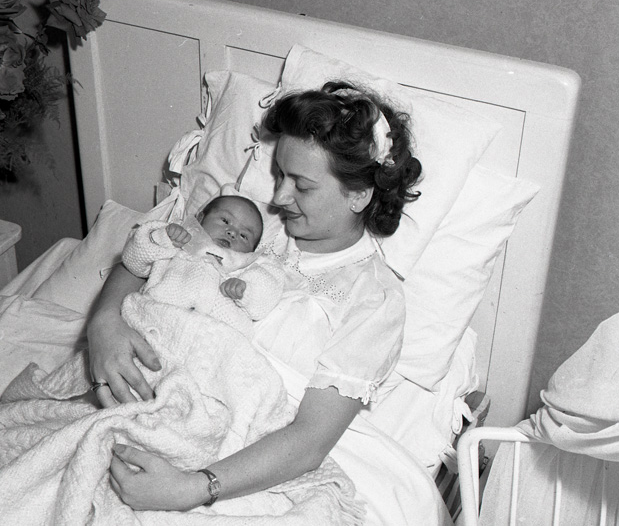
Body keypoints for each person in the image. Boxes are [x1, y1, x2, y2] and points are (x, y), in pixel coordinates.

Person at [88, 81, 423, 516]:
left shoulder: (374, 298)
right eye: (280, 174)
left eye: (302, 186)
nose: (279, 197)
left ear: (359, 194)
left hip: (249, 453)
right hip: (159, 397)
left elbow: (309, 441)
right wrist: (104, 322)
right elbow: (148, 256)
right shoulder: (252, 225)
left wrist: (194, 488)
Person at [122, 193, 283, 335]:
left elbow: (267, 295)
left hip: (212, 339)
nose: (232, 232)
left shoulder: (245, 268)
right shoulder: (178, 245)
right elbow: (133, 262)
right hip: (157, 320)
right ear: (199, 219)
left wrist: (246, 290)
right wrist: (162, 238)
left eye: (244, 235)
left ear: (251, 251)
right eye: (225, 220)